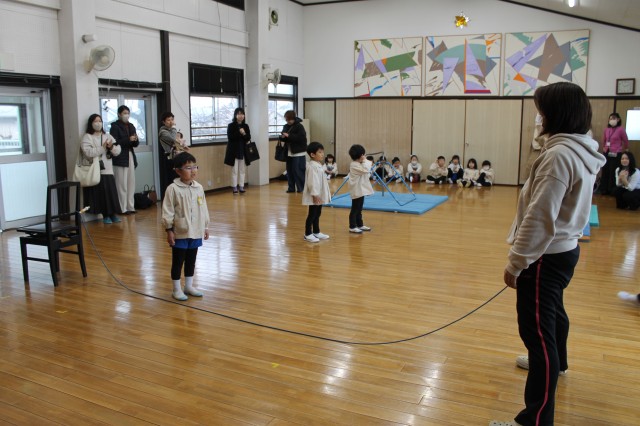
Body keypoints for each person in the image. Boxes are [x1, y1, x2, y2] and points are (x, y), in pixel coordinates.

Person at [494, 82, 606, 426]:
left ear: (555, 114)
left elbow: (540, 217)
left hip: (545, 256)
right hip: (564, 251)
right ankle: (560, 362)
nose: (539, 118)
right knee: (554, 313)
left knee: (538, 338)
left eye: (542, 111)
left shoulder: (559, 155)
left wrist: (516, 263)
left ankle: (535, 420)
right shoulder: (580, 148)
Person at [162, 152, 210, 301]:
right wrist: (169, 230)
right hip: (180, 231)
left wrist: (205, 226)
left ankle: (188, 286)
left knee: (191, 260)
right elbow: (168, 211)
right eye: (188, 168)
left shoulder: (199, 188)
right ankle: (176, 289)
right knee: (178, 261)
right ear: (178, 171)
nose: (193, 170)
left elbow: (203, 208)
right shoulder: (172, 189)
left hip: (196, 231)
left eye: (194, 167)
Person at [80, 114, 122, 224]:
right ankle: (105, 215)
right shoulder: (87, 137)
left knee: (111, 192)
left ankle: (113, 214)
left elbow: (118, 151)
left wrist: (111, 147)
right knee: (101, 194)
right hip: (95, 170)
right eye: (95, 121)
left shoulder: (107, 136)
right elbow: (88, 153)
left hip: (108, 168)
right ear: (91, 123)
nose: (98, 123)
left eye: (100, 121)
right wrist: (102, 148)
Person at [110, 105, 139, 215]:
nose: (126, 115)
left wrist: (135, 140)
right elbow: (115, 142)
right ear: (119, 114)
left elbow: (135, 144)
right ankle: (122, 208)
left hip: (130, 155)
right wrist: (128, 139)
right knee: (121, 184)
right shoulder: (115, 126)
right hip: (120, 157)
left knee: (131, 182)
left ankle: (130, 206)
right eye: (124, 113)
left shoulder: (131, 126)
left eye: (128, 113)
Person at [302, 142, 331, 243]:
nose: (322, 154)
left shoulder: (318, 165)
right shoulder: (312, 166)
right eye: (320, 152)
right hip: (315, 194)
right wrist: (315, 194)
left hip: (319, 193)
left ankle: (316, 231)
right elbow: (312, 182)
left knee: (318, 213)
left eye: (323, 152)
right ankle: (307, 234)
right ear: (312, 154)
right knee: (312, 214)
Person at [598, 112, 629, 195]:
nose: (612, 120)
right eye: (610, 118)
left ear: (618, 119)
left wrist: (624, 149)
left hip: (616, 153)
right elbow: (604, 140)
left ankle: (611, 190)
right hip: (607, 152)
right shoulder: (606, 129)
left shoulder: (621, 129)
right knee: (605, 170)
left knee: (613, 171)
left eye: (614, 118)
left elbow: (626, 141)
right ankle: (603, 189)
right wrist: (604, 147)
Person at [224, 107, 252, 194]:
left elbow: (248, 138)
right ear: (235, 115)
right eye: (239, 114)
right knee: (234, 170)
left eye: (242, 114)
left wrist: (244, 133)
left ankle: (241, 186)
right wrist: (239, 132)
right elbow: (230, 137)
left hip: (243, 151)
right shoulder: (231, 125)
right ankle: (234, 187)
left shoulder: (246, 126)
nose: (241, 115)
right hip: (234, 151)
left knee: (242, 170)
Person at [348, 144, 374, 234]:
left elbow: (367, 171)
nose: (364, 156)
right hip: (356, 190)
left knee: (359, 209)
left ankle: (360, 225)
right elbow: (366, 169)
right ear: (360, 155)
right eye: (363, 154)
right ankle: (352, 226)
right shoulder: (354, 165)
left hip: (360, 190)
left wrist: (363, 160)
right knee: (355, 209)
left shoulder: (359, 163)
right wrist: (365, 160)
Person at [281, 110, 307, 193]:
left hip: (299, 152)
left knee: (298, 170)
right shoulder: (286, 126)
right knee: (289, 171)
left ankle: (301, 188)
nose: (288, 121)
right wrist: (282, 137)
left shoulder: (299, 126)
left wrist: (289, 135)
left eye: (289, 119)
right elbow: (283, 137)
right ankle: (291, 188)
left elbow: (301, 138)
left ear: (293, 118)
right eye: (286, 119)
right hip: (289, 152)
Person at [158, 111, 185, 193]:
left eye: (172, 119)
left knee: (177, 177)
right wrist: (174, 128)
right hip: (168, 159)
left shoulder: (172, 130)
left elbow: (177, 142)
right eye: (168, 120)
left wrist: (182, 145)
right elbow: (174, 139)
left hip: (175, 157)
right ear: (163, 122)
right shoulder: (163, 132)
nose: (171, 122)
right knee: (170, 179)